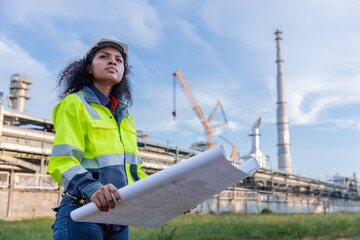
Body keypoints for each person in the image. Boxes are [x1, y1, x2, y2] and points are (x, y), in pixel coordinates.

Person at [49, 37, 147, 240]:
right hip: (84, 211)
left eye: (119, 60)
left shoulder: (125, 117)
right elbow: (63, 160)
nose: (113, 62)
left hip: (119, 217)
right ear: (88, 69)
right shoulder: (75, 104)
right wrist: (92, 187)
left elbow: (135, 172)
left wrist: (172, 196)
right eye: (104, 57)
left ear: (123, 73)